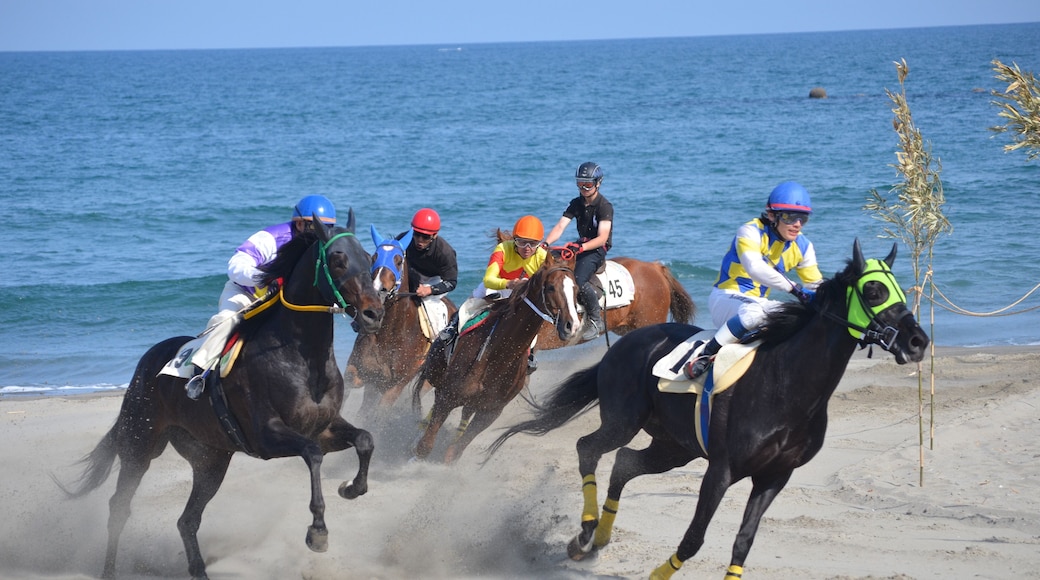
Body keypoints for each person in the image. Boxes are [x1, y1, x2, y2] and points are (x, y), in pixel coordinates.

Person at [187, 195, 336, 396]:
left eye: (326, 228)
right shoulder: (271, 238)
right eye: (314, 227)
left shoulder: (322, 248)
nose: (320, 234)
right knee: (226, 320)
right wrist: (265, 278)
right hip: (246, 295)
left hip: (279, 304)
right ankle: (199, 374)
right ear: (299, 224)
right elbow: (236, 264)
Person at [685, 181, 823, 379]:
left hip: (758, 304)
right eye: (790, 216)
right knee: (754, 311)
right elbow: (755, 268)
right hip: (725, 298)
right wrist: (793, 288)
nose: (797, 224)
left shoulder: (804, 246)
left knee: (797, 316)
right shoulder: (750, 231)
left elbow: (815, 284)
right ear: (772, 216)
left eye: (803, 218)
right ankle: (705, 355)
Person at [440, 215, 548, 371]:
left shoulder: (542, 256)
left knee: (530, 320)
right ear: (515, 240)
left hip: (519, 293)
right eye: (522, 242)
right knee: (468, 307)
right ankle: (452, 330)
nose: (527, 248)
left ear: (539, 243)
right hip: (495, 286)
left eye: (533, 244)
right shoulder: (503, 249)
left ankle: (530, 354)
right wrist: (509, 283)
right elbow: (489, 279)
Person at [544, 161, 614, 342]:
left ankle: (595, 319)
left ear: (598, 183)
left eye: (587, 184)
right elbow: (560, 226)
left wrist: (581, 247)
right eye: (579, 183)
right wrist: (545, 244)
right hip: (580, 246)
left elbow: (602, 237)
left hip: (596, 250)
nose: (582, 188)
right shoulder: (576, 203)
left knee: (579, 280)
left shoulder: (604, 206)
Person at [400, 208, 458, 298]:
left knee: (427, 301)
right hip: (408, 273)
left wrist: (430, 289)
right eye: (416, 234)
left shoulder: (445, 253)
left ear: (434, 235)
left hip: (433, 280)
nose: (420, 240)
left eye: (425, 237)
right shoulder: (403, 239)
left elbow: (451, 282)